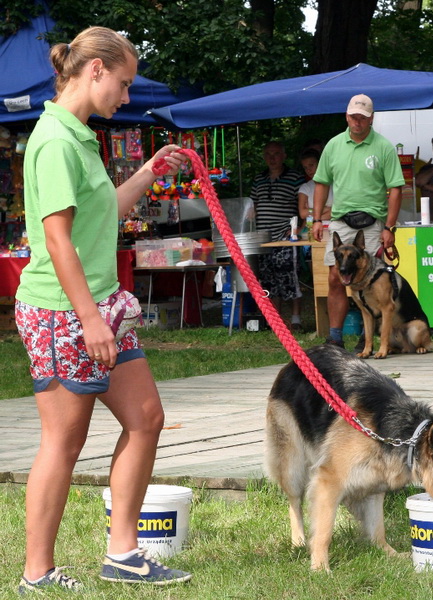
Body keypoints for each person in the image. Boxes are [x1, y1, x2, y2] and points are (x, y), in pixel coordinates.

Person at [15, 27, 192, 594]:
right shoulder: (54, 141)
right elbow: (57, 240)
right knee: (63, 443)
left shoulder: (81, 136)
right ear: (96, 70)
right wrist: (90, 319)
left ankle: (122, 554)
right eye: (124, 82)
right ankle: (37, 574)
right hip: (62, 311)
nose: (127, 95)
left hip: (101, 304)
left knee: (146, 419)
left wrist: (148, 172)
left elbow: (102, 211)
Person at [312, 94, 405, 348]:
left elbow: (396, 189)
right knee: (335, 277)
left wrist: (389, 227)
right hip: (341, 221)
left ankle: (368, 338)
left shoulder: (384, 147)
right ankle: (335, 337)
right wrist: (317, 219)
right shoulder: (333, 145)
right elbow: (321, 183)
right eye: (354, 116)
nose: (357, 122)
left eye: (362, 118)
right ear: (346, 116)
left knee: (373, 281)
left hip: (372, 223)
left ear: (371, 118)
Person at [250, 141, 305, 331]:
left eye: (276, 154)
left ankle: (296, 319)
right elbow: (252, 207)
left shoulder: (295, 178)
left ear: (284, 156)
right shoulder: (259, 179)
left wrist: (300, 229)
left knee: (290, 277)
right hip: (263, 238)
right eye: (268, 154)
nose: (272, 158)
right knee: (268, 280)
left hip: (285, 236)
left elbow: (304, 206)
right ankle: (276, 321)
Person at [297, 148, 332, 221]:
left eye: (311, 165)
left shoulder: (334, 184)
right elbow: (302, 213)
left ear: (320, 163)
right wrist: (327, 209)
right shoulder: (305, 187)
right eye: (305, 167)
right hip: (313, 226)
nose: (308, 170)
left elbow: (339, 211)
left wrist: (312, 215)